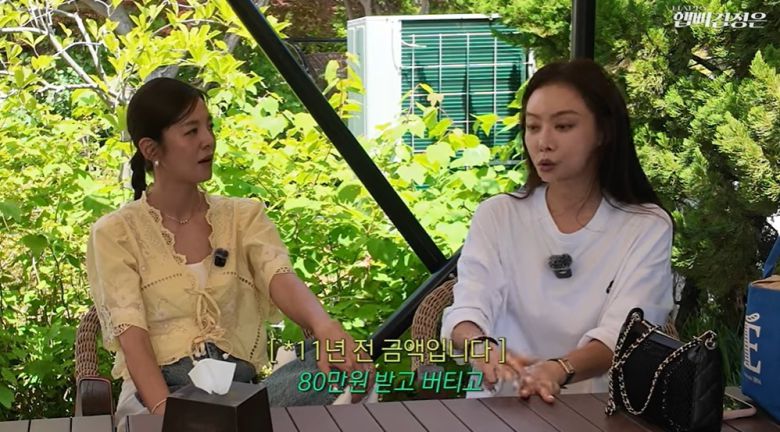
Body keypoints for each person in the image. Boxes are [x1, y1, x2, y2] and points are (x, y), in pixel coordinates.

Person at [86, 77, 372, 430]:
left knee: (342, 368)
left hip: (244, 395)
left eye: (209, 126)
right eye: (191, 131)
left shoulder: (243, 215)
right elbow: (133, 339)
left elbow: (279, 275)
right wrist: (166, 414)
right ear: (151, 149)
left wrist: (325, 327)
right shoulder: (115, 233)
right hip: (161, 395)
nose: (208, 139)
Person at [440, 58, 675, 403]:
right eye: (533, 127)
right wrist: (480, 347)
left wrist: (557, 369)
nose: (543, 142)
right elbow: (468, 307)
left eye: (563, 126)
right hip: (502, 408)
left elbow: (626, 334)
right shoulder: (498, 215)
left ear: (604, 132)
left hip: (599, 412)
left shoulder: (646, 225)